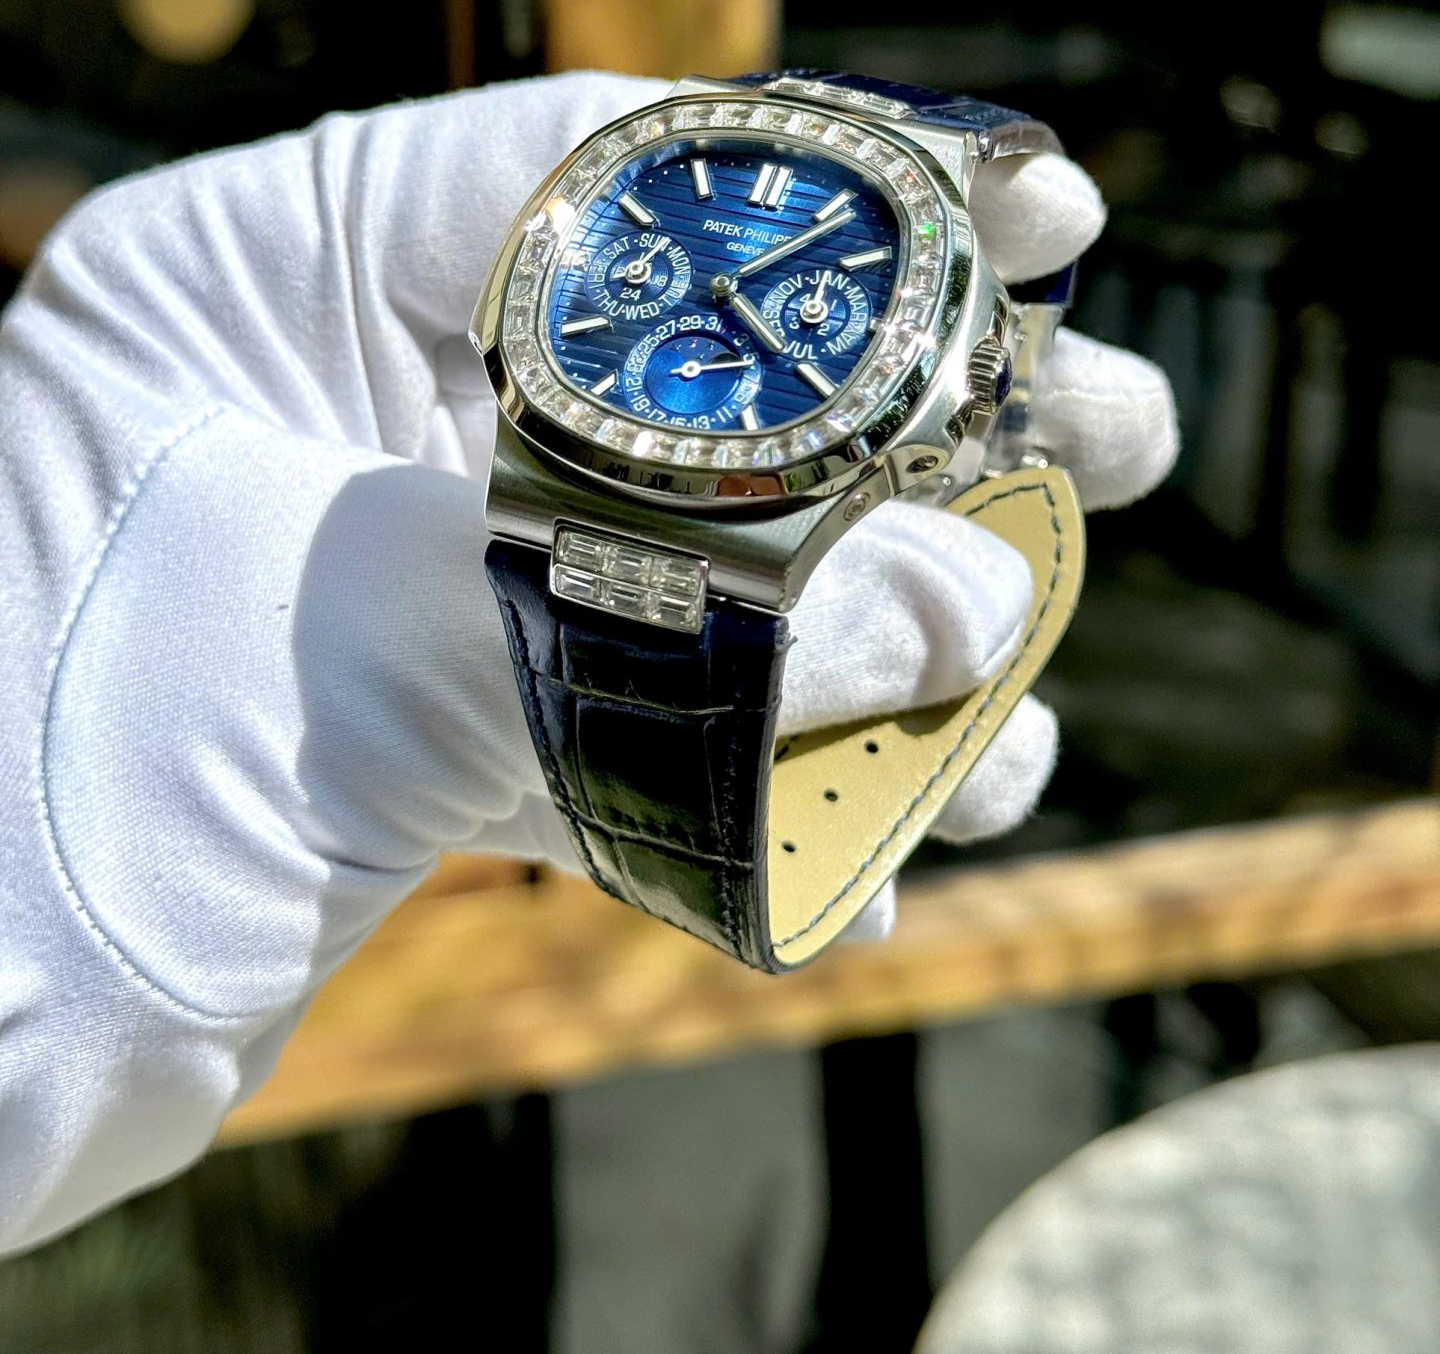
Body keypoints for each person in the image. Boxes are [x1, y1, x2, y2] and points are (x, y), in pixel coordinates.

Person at [0, 72, 1177, 1257]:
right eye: (706, 273)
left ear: (964, 383)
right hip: (605, 431)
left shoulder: (928, 362)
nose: (725, 292)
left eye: (776, 289)